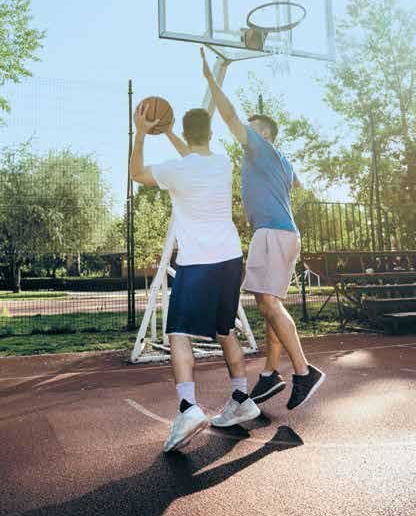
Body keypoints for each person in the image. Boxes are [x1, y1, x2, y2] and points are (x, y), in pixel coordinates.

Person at [130, 101, 261, 453]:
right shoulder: (221, 163)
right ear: (211, 134)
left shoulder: (177, 170)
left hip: (198, 262)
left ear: (187, 134)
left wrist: (142, 132)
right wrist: (171, 131)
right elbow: (194, 155)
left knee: (177, 332)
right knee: (225, 330)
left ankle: (188, 409)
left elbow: (136, 173)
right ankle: (241, 398)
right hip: (231, 258)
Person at [200, 47, 326, 413]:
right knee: (272, 304)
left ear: (264, 133)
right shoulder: (280, 161)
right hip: (285, 233)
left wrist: (211, 80)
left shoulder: (260, 147)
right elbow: (298, 182)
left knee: (267, 303)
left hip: (272, 233)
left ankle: (303, 371)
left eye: (253, 128)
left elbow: (228, 115)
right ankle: (271, 373)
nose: (245, 133)